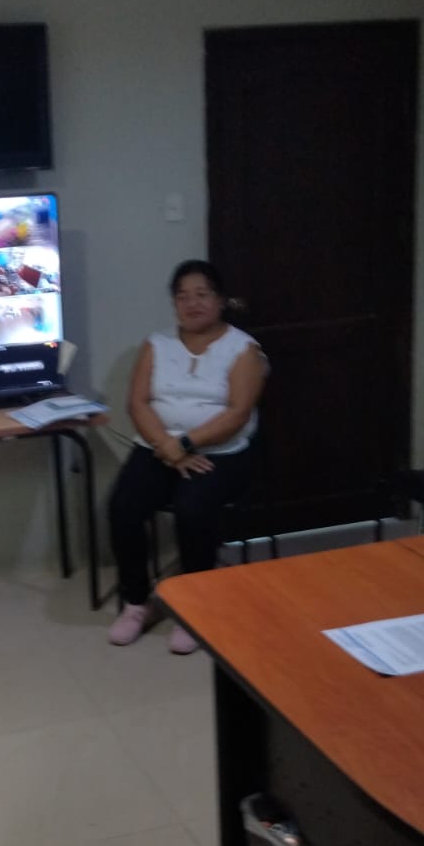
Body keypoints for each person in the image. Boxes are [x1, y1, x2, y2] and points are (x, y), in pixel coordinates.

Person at [107, 260, 266, 653]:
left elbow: (237, 413)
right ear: (174, 303)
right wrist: (168, 446)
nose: (192, 303)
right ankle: (136, 603)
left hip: (220, 452)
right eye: (183, 296)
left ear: (220, 300)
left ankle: (195, 609)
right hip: (158, 447)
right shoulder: (156, 343)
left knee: (192, 509)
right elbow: (138, 403)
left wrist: (185, 445)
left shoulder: (243, 349)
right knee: (123, 507)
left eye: (202, 294)